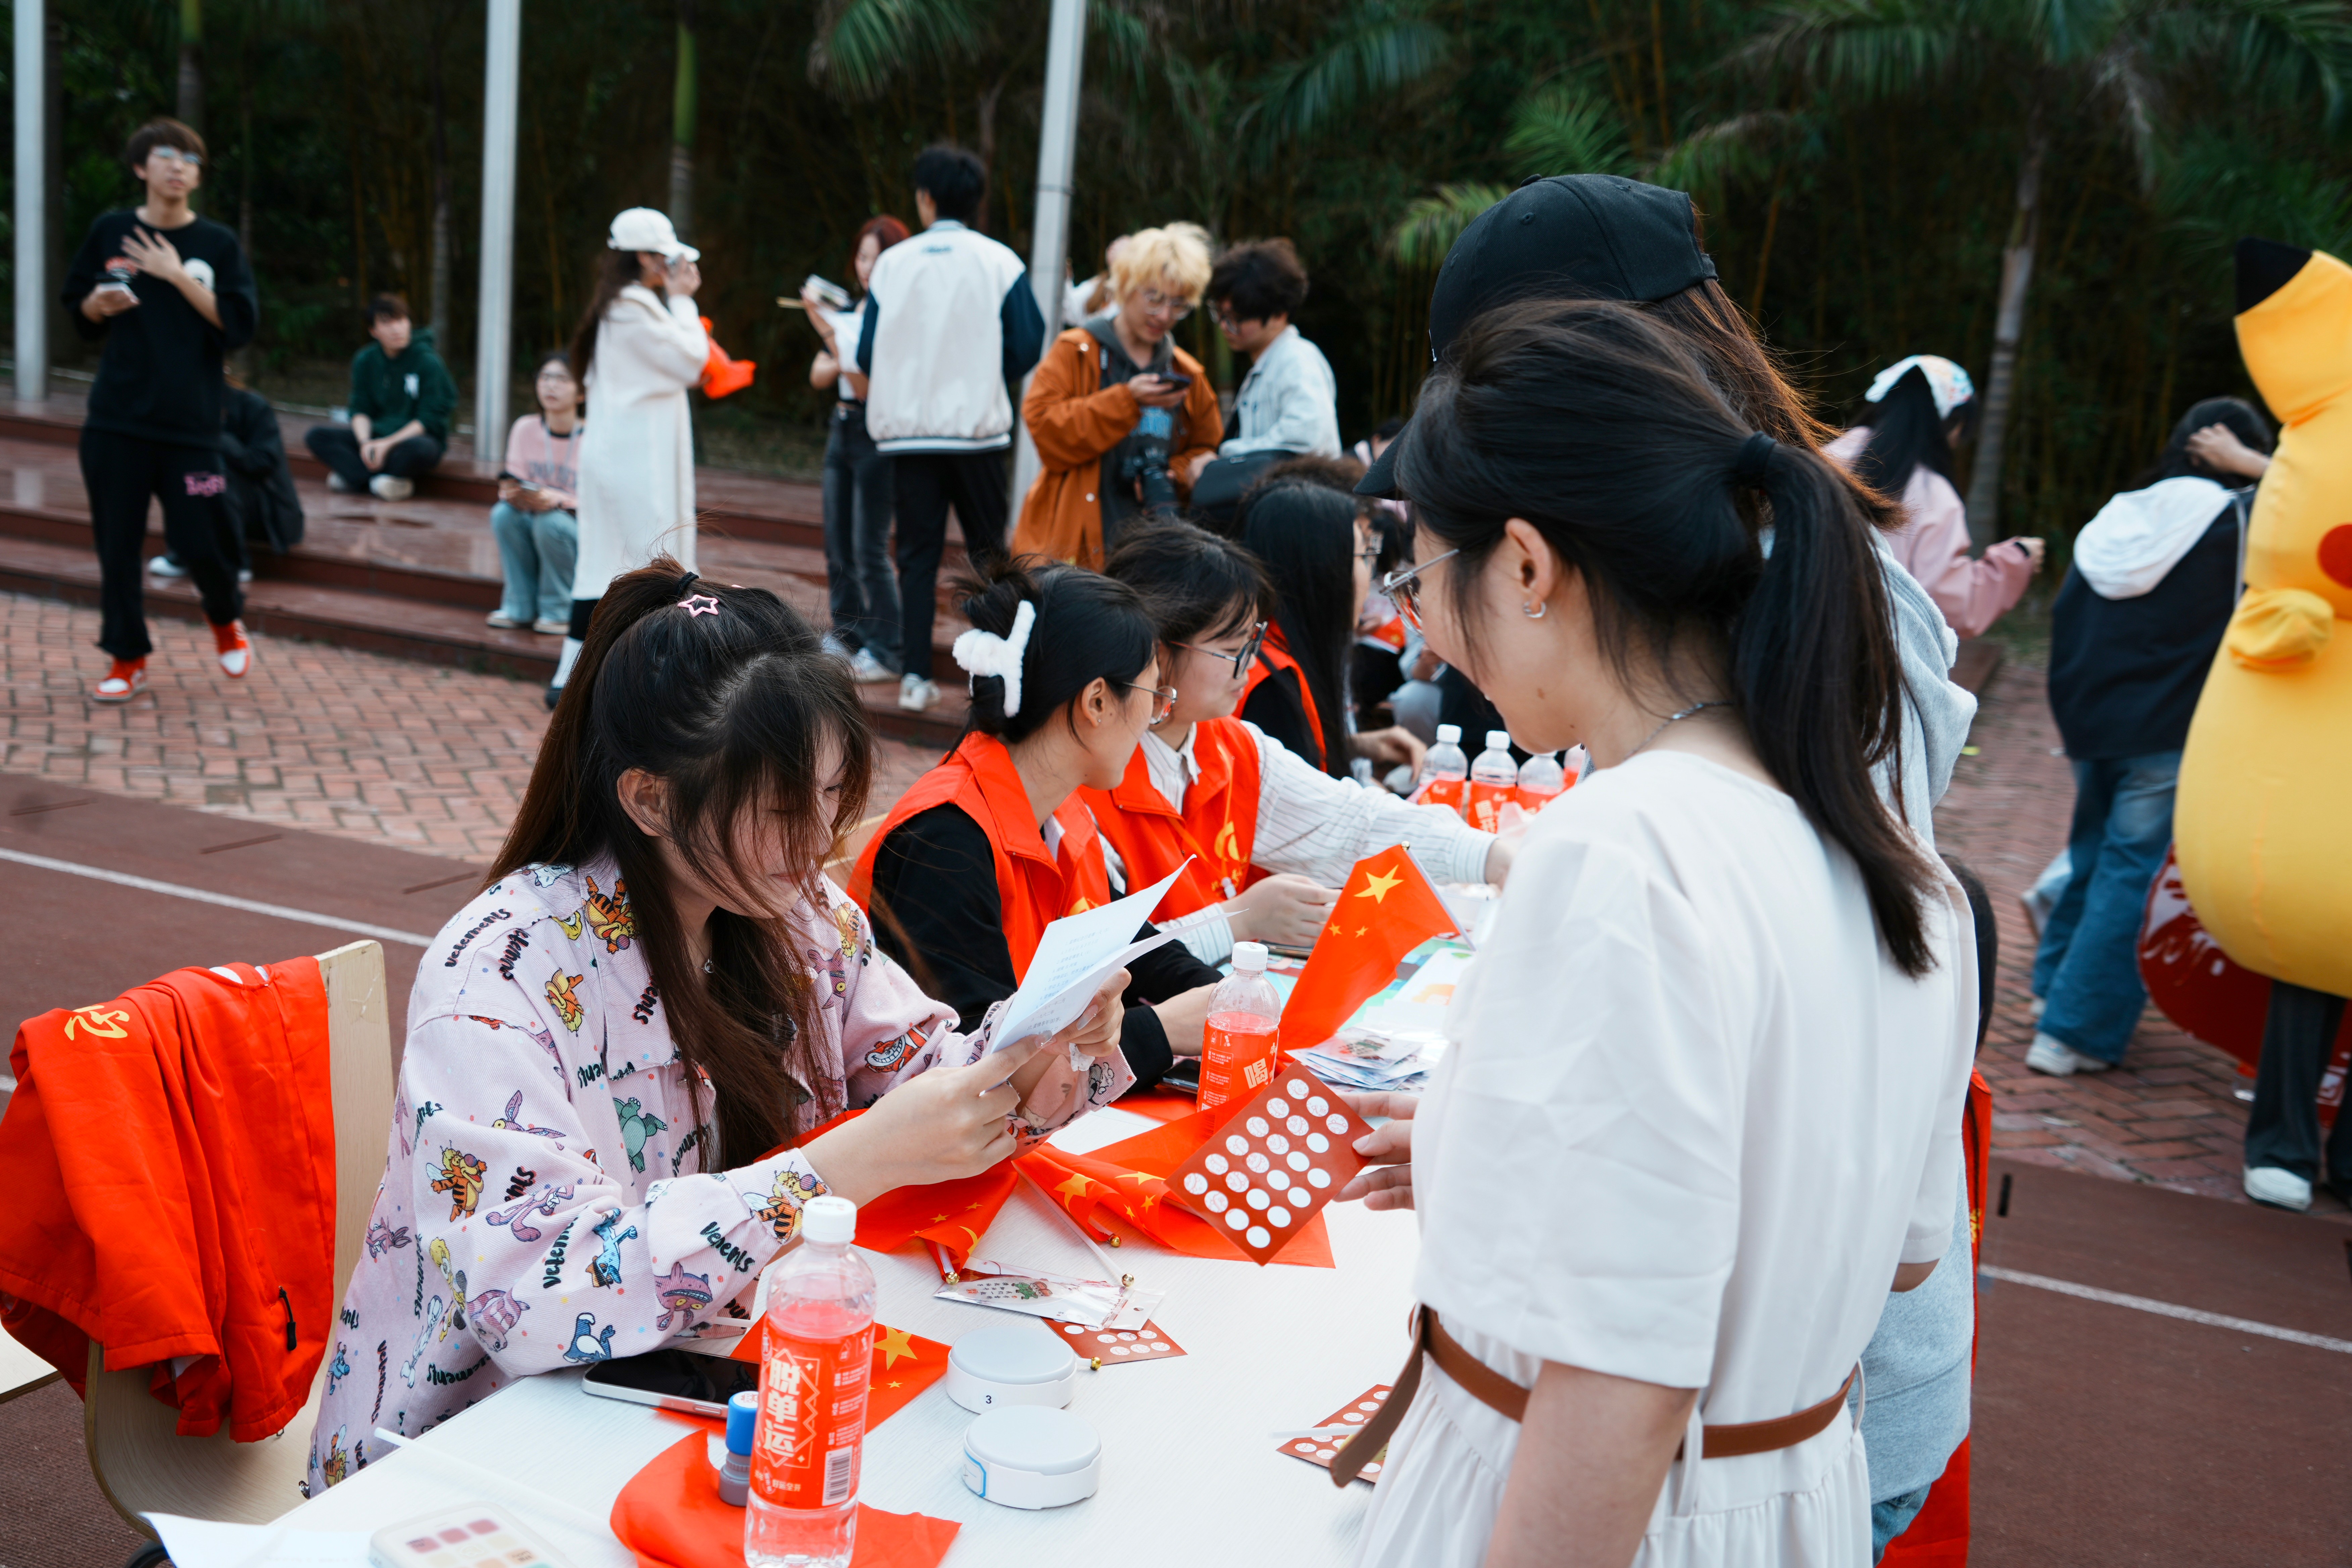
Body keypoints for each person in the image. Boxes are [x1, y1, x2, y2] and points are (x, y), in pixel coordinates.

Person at [1350, 172, 1988, 1566]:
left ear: (1528, 565)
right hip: (1792, 1494)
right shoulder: (1894, 861)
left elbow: (1620, 1392)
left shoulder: (1617, 855)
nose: (1425, 629)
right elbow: (1892, 1242)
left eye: (1424, 576)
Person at [307, 557, 1133, 1486]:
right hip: (471, 1457)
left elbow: (926, 1066)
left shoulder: (799, 915)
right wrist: (837, 1170)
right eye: (782, 808)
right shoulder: (499, 975)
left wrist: (1045, 1046)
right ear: (650, 799)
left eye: (833, 794)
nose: (819, 839)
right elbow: (534, 1294)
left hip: (681, 1391)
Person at [848, 564, 1222, 1092]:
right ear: (1097, 701)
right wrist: (1163, 1030)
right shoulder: (943, 841)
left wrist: (1221, 995)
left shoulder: (1061, 809)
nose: (1153, 716)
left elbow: (1126, 938)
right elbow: (981, 1069)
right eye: (1154, 696)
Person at [1090, 520, 1507, 967]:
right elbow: (1094, 971)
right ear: (1155, 650)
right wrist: (1238, 922)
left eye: (1253, 640)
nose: (1250, 662)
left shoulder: (1234, 745)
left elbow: (1352, 823)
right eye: (1232, 649)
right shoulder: (1089, 775)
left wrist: (1490, 856)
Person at [2024, 398, 2274, 1078]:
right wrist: (2256, 466)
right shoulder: (2239, 517)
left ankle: (2051, 987)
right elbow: (2320, 502)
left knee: (2092, 856)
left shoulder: (2121, 512)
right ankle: (2072, 1032)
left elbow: (2072, 616)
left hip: (2091, 720)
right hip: (2168, 725)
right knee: (2134, 871)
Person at [65, 116, 258, 702]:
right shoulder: (111, 230)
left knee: (205, 536)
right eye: (167, 156)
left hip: (194, 432)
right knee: (118, 547)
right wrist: (97, 304)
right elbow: (78, 310)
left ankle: (224, 617)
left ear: (197, 177)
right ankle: (127, 656)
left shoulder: (218, 245)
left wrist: (177, 276)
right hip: (116, 423)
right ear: (140, 167)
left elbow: (239, 326)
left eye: (191, 160)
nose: (179, 167)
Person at [855, 145, 1048, 714]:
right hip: (977, 435)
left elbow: (866, 353)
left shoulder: (893, 264)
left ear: (925, 198)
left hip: (909, 436)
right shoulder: (999, 261)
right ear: (976, 200)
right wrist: (984, 377)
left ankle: (916, 677)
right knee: (990, 556)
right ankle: (998, 673)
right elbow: (1027, 344)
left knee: (917, 557)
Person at [551, 208, 708, 709]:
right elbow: (692, 360)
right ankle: (651, 678)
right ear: (643, 257)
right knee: (649, 563)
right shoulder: (633, 310)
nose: (672, 268)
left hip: (622, 457)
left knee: (603, 563)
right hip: (634, 464)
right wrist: (683, 301)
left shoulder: (620, 307)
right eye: (665, 258)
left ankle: (572, 674)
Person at [1011, 223, 1223, 568]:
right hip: (1075, 547)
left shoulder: (1188, 373)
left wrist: (1173, 473)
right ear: (1125, 286)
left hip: (1153, 551)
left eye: (1179, 305)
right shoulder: (1076, 351)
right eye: (1154, 298)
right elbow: (1045, 430)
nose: (1164, 315)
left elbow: (1206, 448)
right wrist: (1127, 401)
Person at [1824, 356, 2045, 638]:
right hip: (1870, 651)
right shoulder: (1934, 495)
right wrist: (2016, 558)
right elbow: (1948, 605)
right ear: (1954, 423)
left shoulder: (1823, 458)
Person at [1235, 481, 1424, 781]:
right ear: (1322, 569)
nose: (1370, 574)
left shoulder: (1275, 649)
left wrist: (1355, 746)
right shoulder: (1272, 685)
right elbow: (1300, 800)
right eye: (1364, 556)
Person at [804, 214, 910, 684]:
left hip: (876, 432)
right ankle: (847, 636)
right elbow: (819, 374)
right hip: (842, 427)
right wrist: (840, 348)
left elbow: (865, 385)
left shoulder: (896, 317)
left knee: (869, 547)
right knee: (838, 545)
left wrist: (832, 338)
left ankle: (888, 650)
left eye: (879, 258)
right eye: (864, 257)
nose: (868, 267)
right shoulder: (851, 309)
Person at [1202, 239, 1341, 474]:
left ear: (1278, 314)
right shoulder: (1267, 365)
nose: (1225, 326)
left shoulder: (1297, 359)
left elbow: (1305, 437)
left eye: (1236, 319)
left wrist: (1225, 457)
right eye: (1221, 314)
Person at [304, 295, 455, 504]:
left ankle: (356, 477)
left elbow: (429, 419)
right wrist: (365, 444)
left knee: (423, 450)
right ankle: (382, 482)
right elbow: (360, 409)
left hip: (410, 440)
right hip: (376, 435)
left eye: (401, 321)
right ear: (374, 331)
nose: (397, 329)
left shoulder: (428, 362)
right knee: (317, 436)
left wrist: (387, 445)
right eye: (387, 323)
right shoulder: (366, 360)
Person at [153, 368, 299, 584]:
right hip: (216, 504)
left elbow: (262, 463)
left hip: (268, 512)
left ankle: (236, 561)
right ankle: (183, 553)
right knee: (181, 469)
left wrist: (216, 438)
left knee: (214, 470)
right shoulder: (184, 409)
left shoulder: (252, 405)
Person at [488, 352, 585, 635]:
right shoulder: (525, 428)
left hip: (579, 529)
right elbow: (515, 478)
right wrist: (511, 491)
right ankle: (519, 607)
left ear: (582, 393)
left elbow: (602, 501)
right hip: (534, 515)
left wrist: (556, 500)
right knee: (503, 514)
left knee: (550, 522)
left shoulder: (596, 437)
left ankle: (559, 611)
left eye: (562, 379)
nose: (551, 385)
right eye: (545, 377)